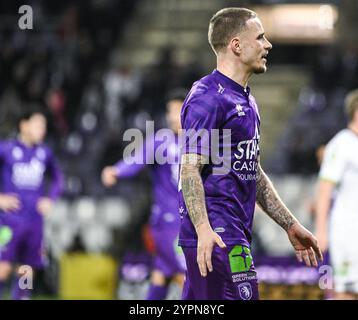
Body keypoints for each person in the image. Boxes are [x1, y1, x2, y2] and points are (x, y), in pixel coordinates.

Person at [178, 7, 322, 300]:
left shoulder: (247, 100)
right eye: (260, 37)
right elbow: (189, 169)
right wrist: (205, 230)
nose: (268, 45)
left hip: (232, 231)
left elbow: (251, 171)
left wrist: (290, 224)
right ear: (236, 45)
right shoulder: (207, 97)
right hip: (218, 236)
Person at [0, 110, 64, 300]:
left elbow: (59, 179)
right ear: (23, 125)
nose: (42, 130)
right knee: (1, 269)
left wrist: (50, 198)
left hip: (35, 223)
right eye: (37, 125)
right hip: (9, 222)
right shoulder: (5, 149)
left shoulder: (44, 153)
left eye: (43, 126)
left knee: (26, 273)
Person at [101, 89, 187, 300]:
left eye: (178, 110)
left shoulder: (202, 143)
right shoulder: (161, 141)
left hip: (187, 223)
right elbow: (137, 159)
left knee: (161, 276)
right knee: (191, 277)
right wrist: (117, 170)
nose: (172, 116)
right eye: (170, 111)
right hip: (168, 222)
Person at [315, 88, 358, 299]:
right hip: (347, 232)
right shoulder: (342, 144)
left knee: (347, 293)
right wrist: (321, 231)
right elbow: (324, 189)